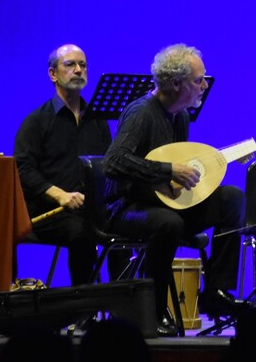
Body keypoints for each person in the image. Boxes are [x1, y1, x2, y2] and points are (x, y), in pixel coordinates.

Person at [103, 44, 246, 337]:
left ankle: (215, 292)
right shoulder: (140, 112)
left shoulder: (180, 115)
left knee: (232, 198)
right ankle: (152, 309)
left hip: (163, 204)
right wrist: (168, 171)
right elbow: (113, 162)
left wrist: (215, 163)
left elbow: (176, 166)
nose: (205, 86)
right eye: (198, 80)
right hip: (126, 208)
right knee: (170, 224)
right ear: (176, 83)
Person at [14, 44, 111, 286]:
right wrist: (59, 195)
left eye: (83, 65)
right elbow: (22, 170)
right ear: (53, 74)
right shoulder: (37, 121)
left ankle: (122, 307)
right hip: (48, 212)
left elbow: (108, 165)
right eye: (70, 64)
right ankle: (81, 310)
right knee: (82, 233)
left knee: (128, 226)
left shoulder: (97, 120)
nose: (78, 70)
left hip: (89, 211)